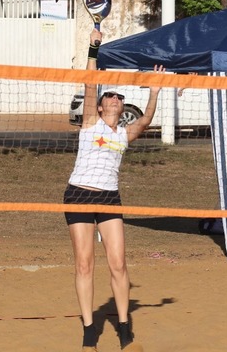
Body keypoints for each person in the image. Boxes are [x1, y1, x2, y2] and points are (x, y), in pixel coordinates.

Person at [63, 28, 162, 351]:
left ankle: (123, 328)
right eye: (111, 96)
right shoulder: (90, 121)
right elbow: (91, 82)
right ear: (103, 104)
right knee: (84, 264)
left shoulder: (123, 133)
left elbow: (146, 121)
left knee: (118, 263)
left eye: (120, 97)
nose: (115, 99)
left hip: (108, 197)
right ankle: (90, 330)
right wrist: (94, 47)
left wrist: (154, 92)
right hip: (79, 193)